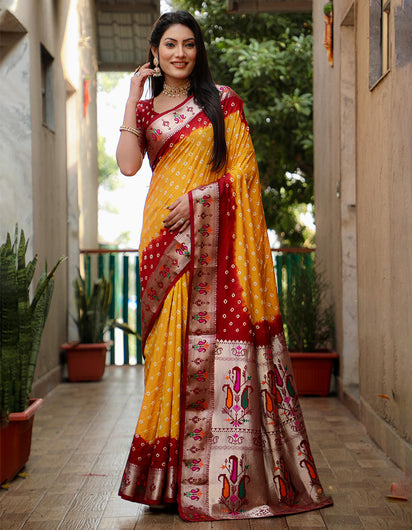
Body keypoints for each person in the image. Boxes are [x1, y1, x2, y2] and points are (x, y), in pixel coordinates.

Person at [117, 10, 333, 522]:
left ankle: (206, 479)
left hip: (210, 241)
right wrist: (132, 96)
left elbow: (244, 174)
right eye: (169, 44)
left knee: (206, 351)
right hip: (161, 242)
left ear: (199, 51)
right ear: (155, 51)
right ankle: (166, 482)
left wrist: (200, 201)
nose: (179, 53)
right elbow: (128, 165)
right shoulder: (147, 113)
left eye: (189, 44)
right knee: (167, 354)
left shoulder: (222, 101)